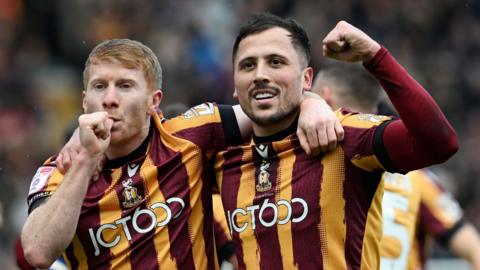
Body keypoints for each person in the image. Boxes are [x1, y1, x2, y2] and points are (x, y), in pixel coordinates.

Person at [20, 38, 342, 269]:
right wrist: (85, 160)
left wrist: (312, 102)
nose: (110, 99)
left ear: (154, 101)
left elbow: (270, 108)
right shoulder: (58, 172)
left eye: (126, 86)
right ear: (84, 100)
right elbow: (36, 252)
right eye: (100, 87)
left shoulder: (189, 136)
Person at [213, 13, 458, 269]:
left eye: (276, 62)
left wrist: (375, 56)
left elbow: (439, 143)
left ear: (307, 79)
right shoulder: (219, 160)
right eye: (247, 65)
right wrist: (312, 100)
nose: (259, 75)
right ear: (234, 83)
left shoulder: (345, 138)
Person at [312, 62, 480, 270]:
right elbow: (473, 247)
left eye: (312, 99)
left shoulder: (306, 168)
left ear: (325, 98)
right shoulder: (418, 178)